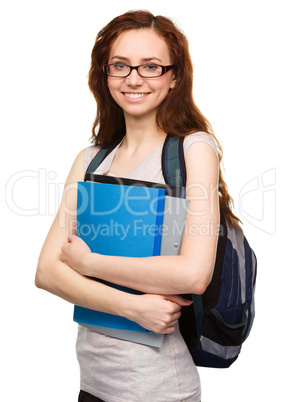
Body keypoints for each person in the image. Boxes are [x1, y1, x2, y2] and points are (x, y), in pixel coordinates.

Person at [35, 10, 239, 402]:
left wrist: (88, 265)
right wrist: (132, 307)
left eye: (151, 66)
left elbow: (193, 274)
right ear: (104, 74)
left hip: (158, 388)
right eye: (120, 65)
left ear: (174, 76)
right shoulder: (91, 159)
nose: (133, 78)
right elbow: (46, 271)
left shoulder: (193, 149)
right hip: (93, 383)